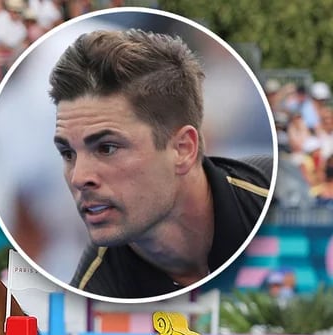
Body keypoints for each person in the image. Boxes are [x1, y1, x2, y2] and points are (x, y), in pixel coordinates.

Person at [49, 29, 271, 300]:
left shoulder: (277, 201)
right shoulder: (92, 298)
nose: (79, 178)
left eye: (107, 148)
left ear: (183, 149)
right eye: (68, 153)